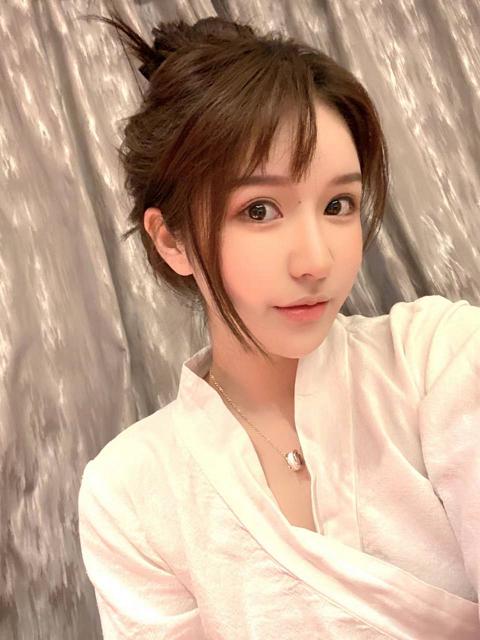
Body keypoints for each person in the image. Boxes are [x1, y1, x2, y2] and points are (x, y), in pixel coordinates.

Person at [77, 9, 480, 639]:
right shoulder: (131, 493)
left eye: (338, 204)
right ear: (172, 239)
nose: (317, 261)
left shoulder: (439, 358)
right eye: (260, 210)